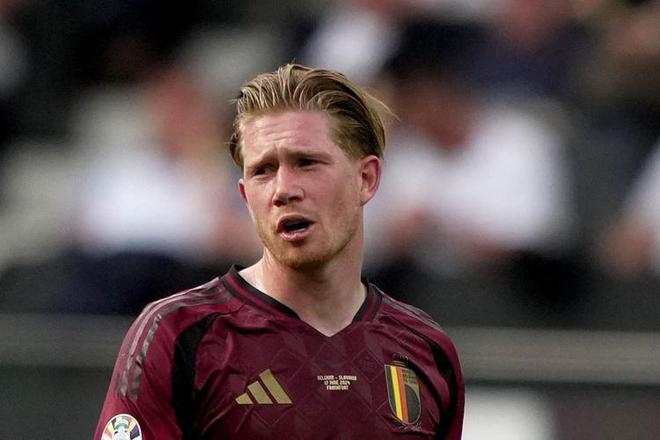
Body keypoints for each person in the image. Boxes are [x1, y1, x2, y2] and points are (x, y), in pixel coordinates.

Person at [94, 63, 464, 439]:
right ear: (245, 196)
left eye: (307, 163)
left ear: (366, 179)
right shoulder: (179, 335)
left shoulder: (424, 350)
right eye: (263, 171)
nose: (283, 189)